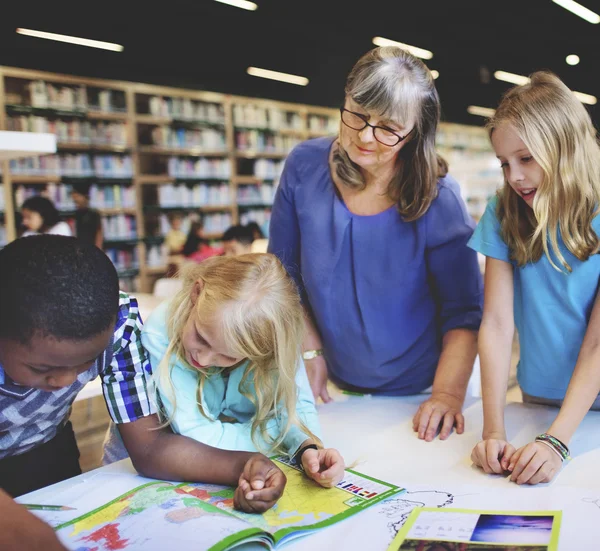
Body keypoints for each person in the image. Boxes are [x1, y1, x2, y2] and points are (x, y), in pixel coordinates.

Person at [0, 236, 287, 550]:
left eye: (85, 364)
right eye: (42, 369)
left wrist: (242, 465)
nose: (66, 381)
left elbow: (150, 447)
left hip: (46, 450)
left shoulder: (119, 325)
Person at [268, 46, 483, 442]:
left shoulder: (439, 197)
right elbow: (282, 273)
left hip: (424, 394)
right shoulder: (304, 165)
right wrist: (310, 350)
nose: (366, 136)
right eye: (358, 115)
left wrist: (446, 395)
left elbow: (464, 313)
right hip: (332, 387)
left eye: (388, 127)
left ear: (416, 131)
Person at [469, 71, 600, 485]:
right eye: (504, 163)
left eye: (526, 159)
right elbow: (496, 322)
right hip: (537, 394)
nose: (514, 177)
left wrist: (557, 441)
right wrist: (493, 430)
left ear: (565, 147)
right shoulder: (504, 210)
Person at [144, 253, 345, 489]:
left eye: (229, 355)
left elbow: (295, 408)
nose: (203, 358)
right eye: (201, 336)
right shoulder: (160, 332)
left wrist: (308, 448)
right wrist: (278, 433)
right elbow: (197, 436)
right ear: (196, 294)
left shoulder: (272, 338)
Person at [71, 182, 103, 248]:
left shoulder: (94, 214)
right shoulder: (75, 214)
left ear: (85, 196)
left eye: (77, 197)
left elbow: (99, 235)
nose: (75, 201)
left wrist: (98, 252)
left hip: (92, 250)